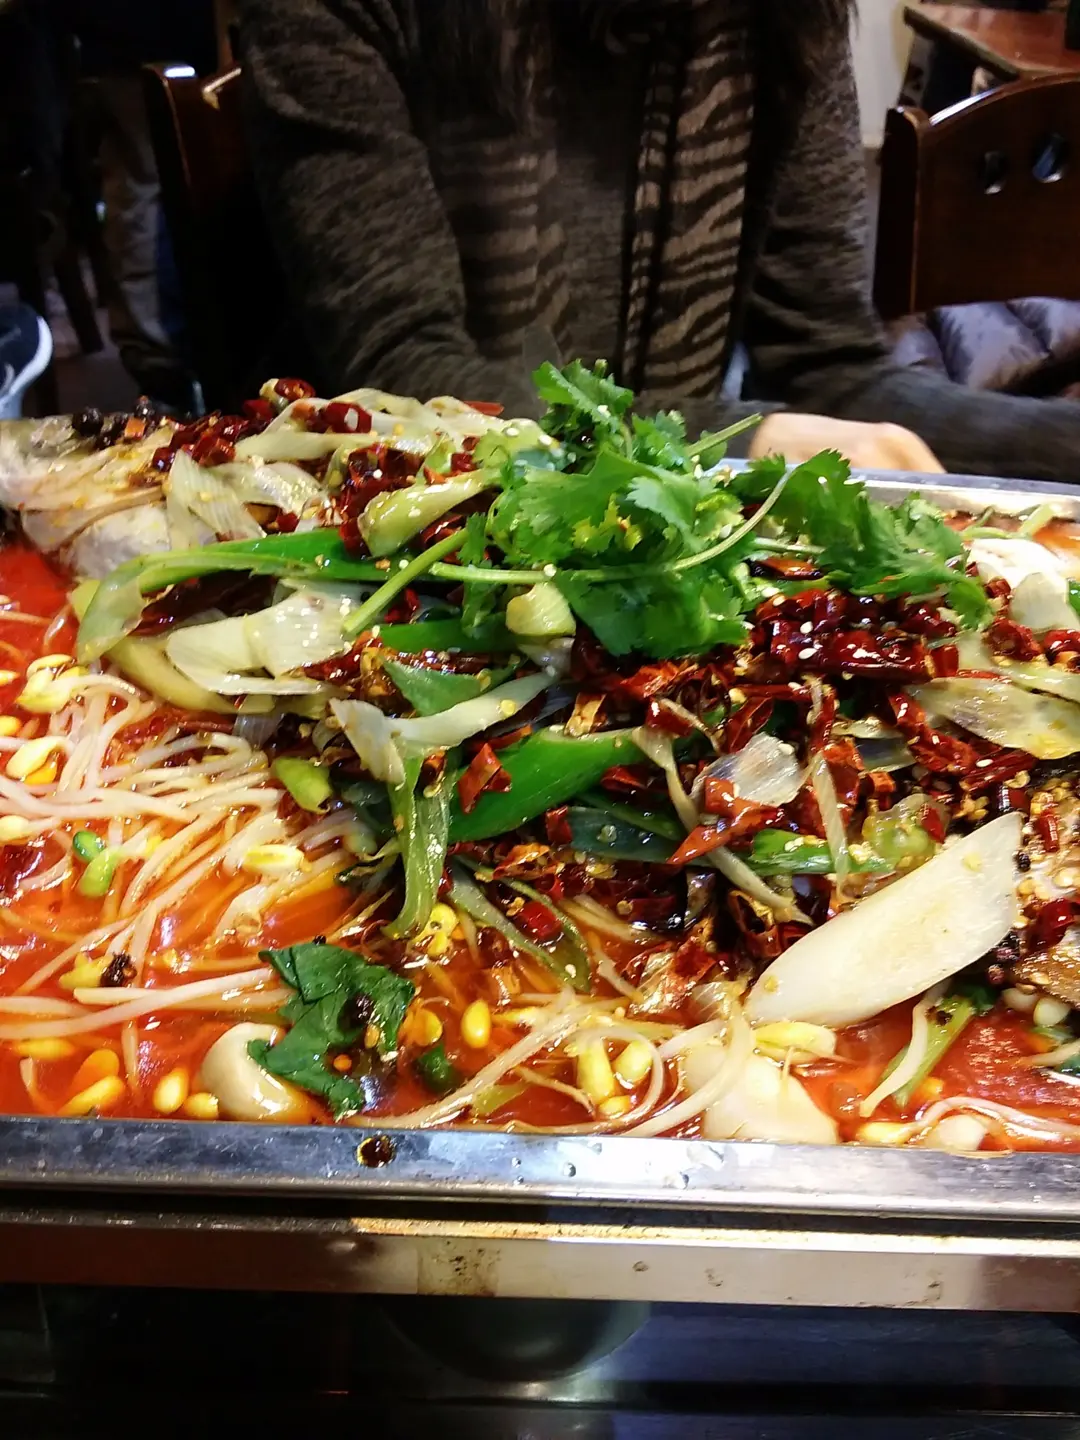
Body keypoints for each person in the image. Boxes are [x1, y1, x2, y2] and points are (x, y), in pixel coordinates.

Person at [238, 0, 1080, 480]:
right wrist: (740, 438)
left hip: (668, 544)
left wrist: (1059, 445)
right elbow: (404, 375)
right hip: (393, 531)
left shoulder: (779, 16)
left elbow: (828, 364)